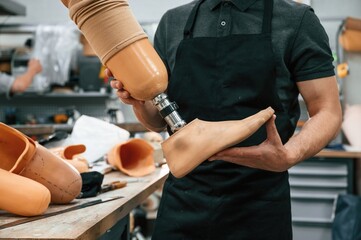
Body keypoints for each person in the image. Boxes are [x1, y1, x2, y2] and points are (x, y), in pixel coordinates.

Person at [109, 0, 342, 239]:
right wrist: (139, 102)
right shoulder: (173, 22)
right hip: (183, 203)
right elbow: (159, 121)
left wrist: (290, 155)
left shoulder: (297, 20)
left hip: (259, 207)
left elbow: (328, 110)